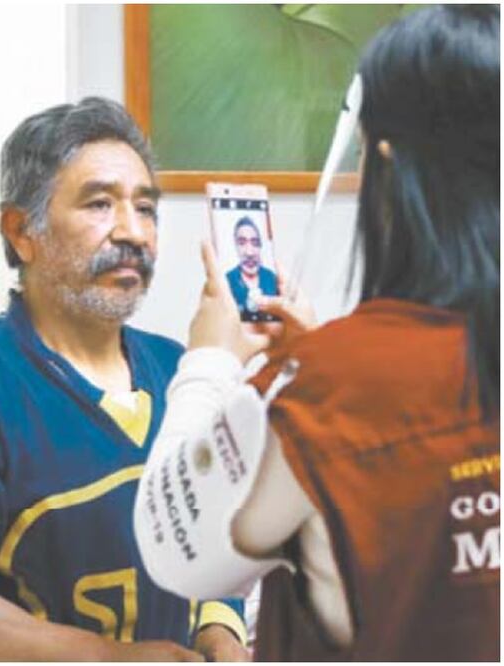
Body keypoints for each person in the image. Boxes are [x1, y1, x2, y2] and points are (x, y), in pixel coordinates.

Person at [134, 5, 499, 661]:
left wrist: (208, 363)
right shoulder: (368, 367)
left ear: (384, 159)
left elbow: (183, 552)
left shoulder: (348, 377)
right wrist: (315, 362)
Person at [0, 98, 249, 662]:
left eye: (146, 209)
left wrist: (223, 633)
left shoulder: (182, 372)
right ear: (22, 232)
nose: (133, 233)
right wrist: (111, 656)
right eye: (100, 203)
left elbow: (220, 537)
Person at [224, 216, 277, 315]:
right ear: (235, 246)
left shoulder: (271, 278)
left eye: (255, 243)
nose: (249, 253)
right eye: (242, 243)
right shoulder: (226, 281)